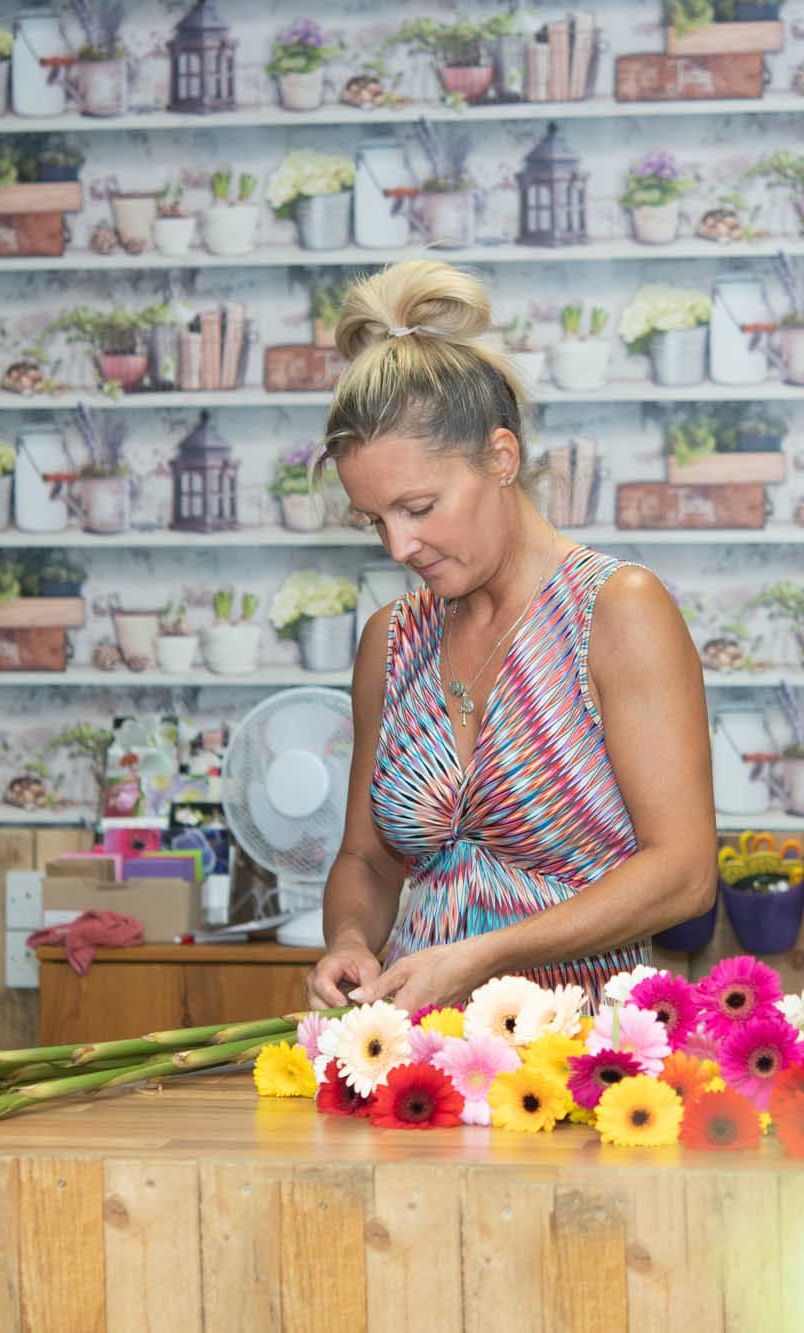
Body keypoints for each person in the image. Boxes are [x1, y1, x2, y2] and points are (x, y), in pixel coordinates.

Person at [304, 260, 717, 1014]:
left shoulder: (618, 610)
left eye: (418, 506)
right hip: (414, 1064)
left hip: (589, 1066)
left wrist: (485, 955)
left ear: (501, 457)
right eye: (376, 520)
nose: (399, 546)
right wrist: (351, 939)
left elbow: (684, 873)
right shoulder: (390, 642)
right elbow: (366, 858)